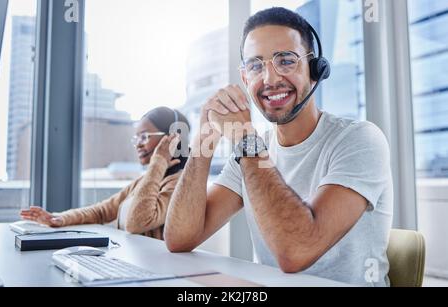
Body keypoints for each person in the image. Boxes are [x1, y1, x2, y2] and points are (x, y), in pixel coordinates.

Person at [164, 7, 393, 286]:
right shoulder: (253, 154)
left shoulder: (360, 140)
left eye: (286, 60)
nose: (270, 79)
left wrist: (246, 141)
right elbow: (180, 238)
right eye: (256, 65)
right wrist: (203, 142)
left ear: (315, 70)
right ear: (245, 78)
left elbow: (296, 252)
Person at [21, 107, 190, 240]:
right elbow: (102, 211)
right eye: (136, 138)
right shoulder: (144, 182)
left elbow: (137, 223)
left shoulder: (179, 184)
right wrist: (58, 219)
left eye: (145, 137)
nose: (138, 144)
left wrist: (158, 161)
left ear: (173, 139)